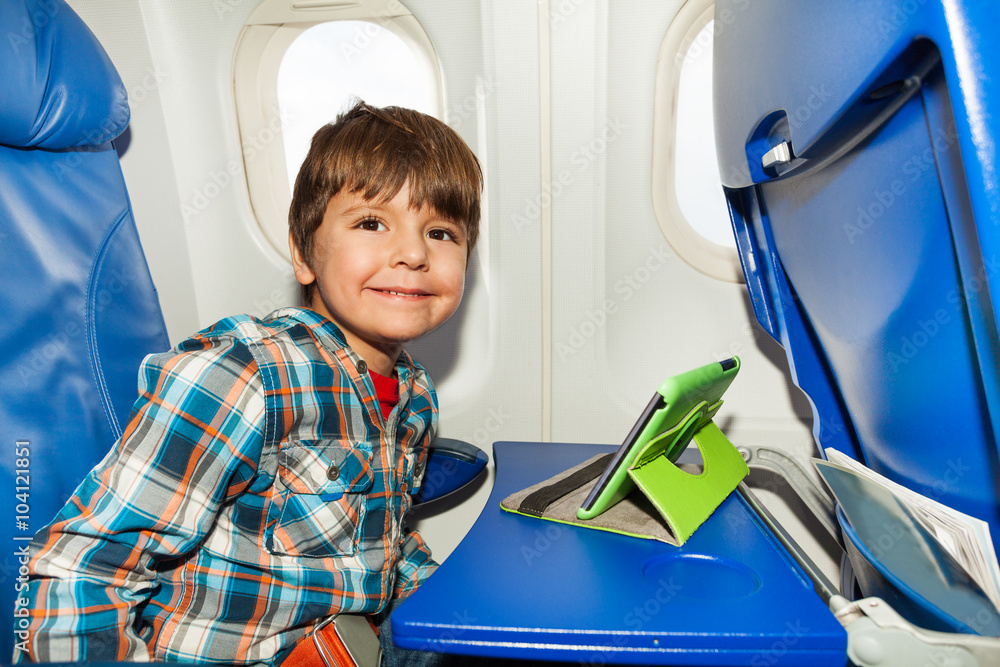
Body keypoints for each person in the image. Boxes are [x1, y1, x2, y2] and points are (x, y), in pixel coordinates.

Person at [18, 100, 482, 666]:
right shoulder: (243, 377)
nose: (412, 253)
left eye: (441, 232)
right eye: (371, 222)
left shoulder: (413, 397)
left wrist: (460, 607)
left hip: (343, 642)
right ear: (303, 252)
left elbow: (376, 540)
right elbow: (78, 569)